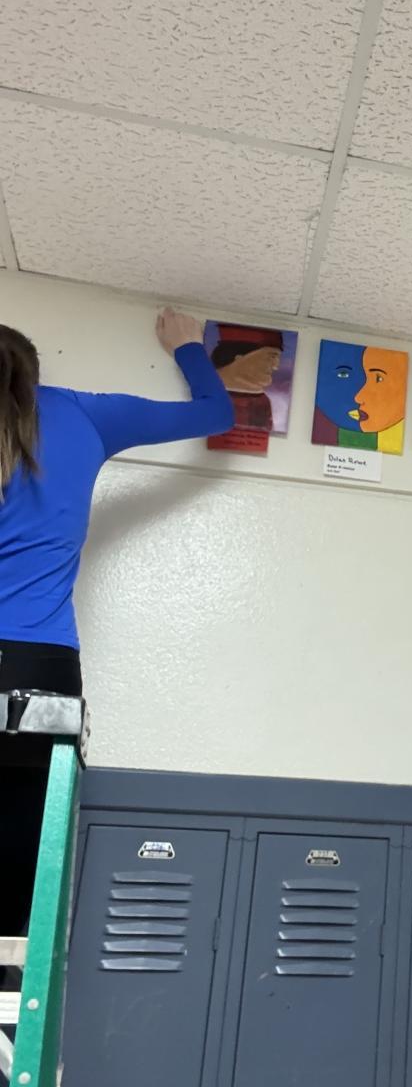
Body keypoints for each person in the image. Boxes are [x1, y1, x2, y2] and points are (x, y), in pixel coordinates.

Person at [0, 307, 233, 948]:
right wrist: (187, 347)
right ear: (33, 374)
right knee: (21, 862)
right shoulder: (82, 413)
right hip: (39, 669)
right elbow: (216, 414)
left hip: (34, 664)